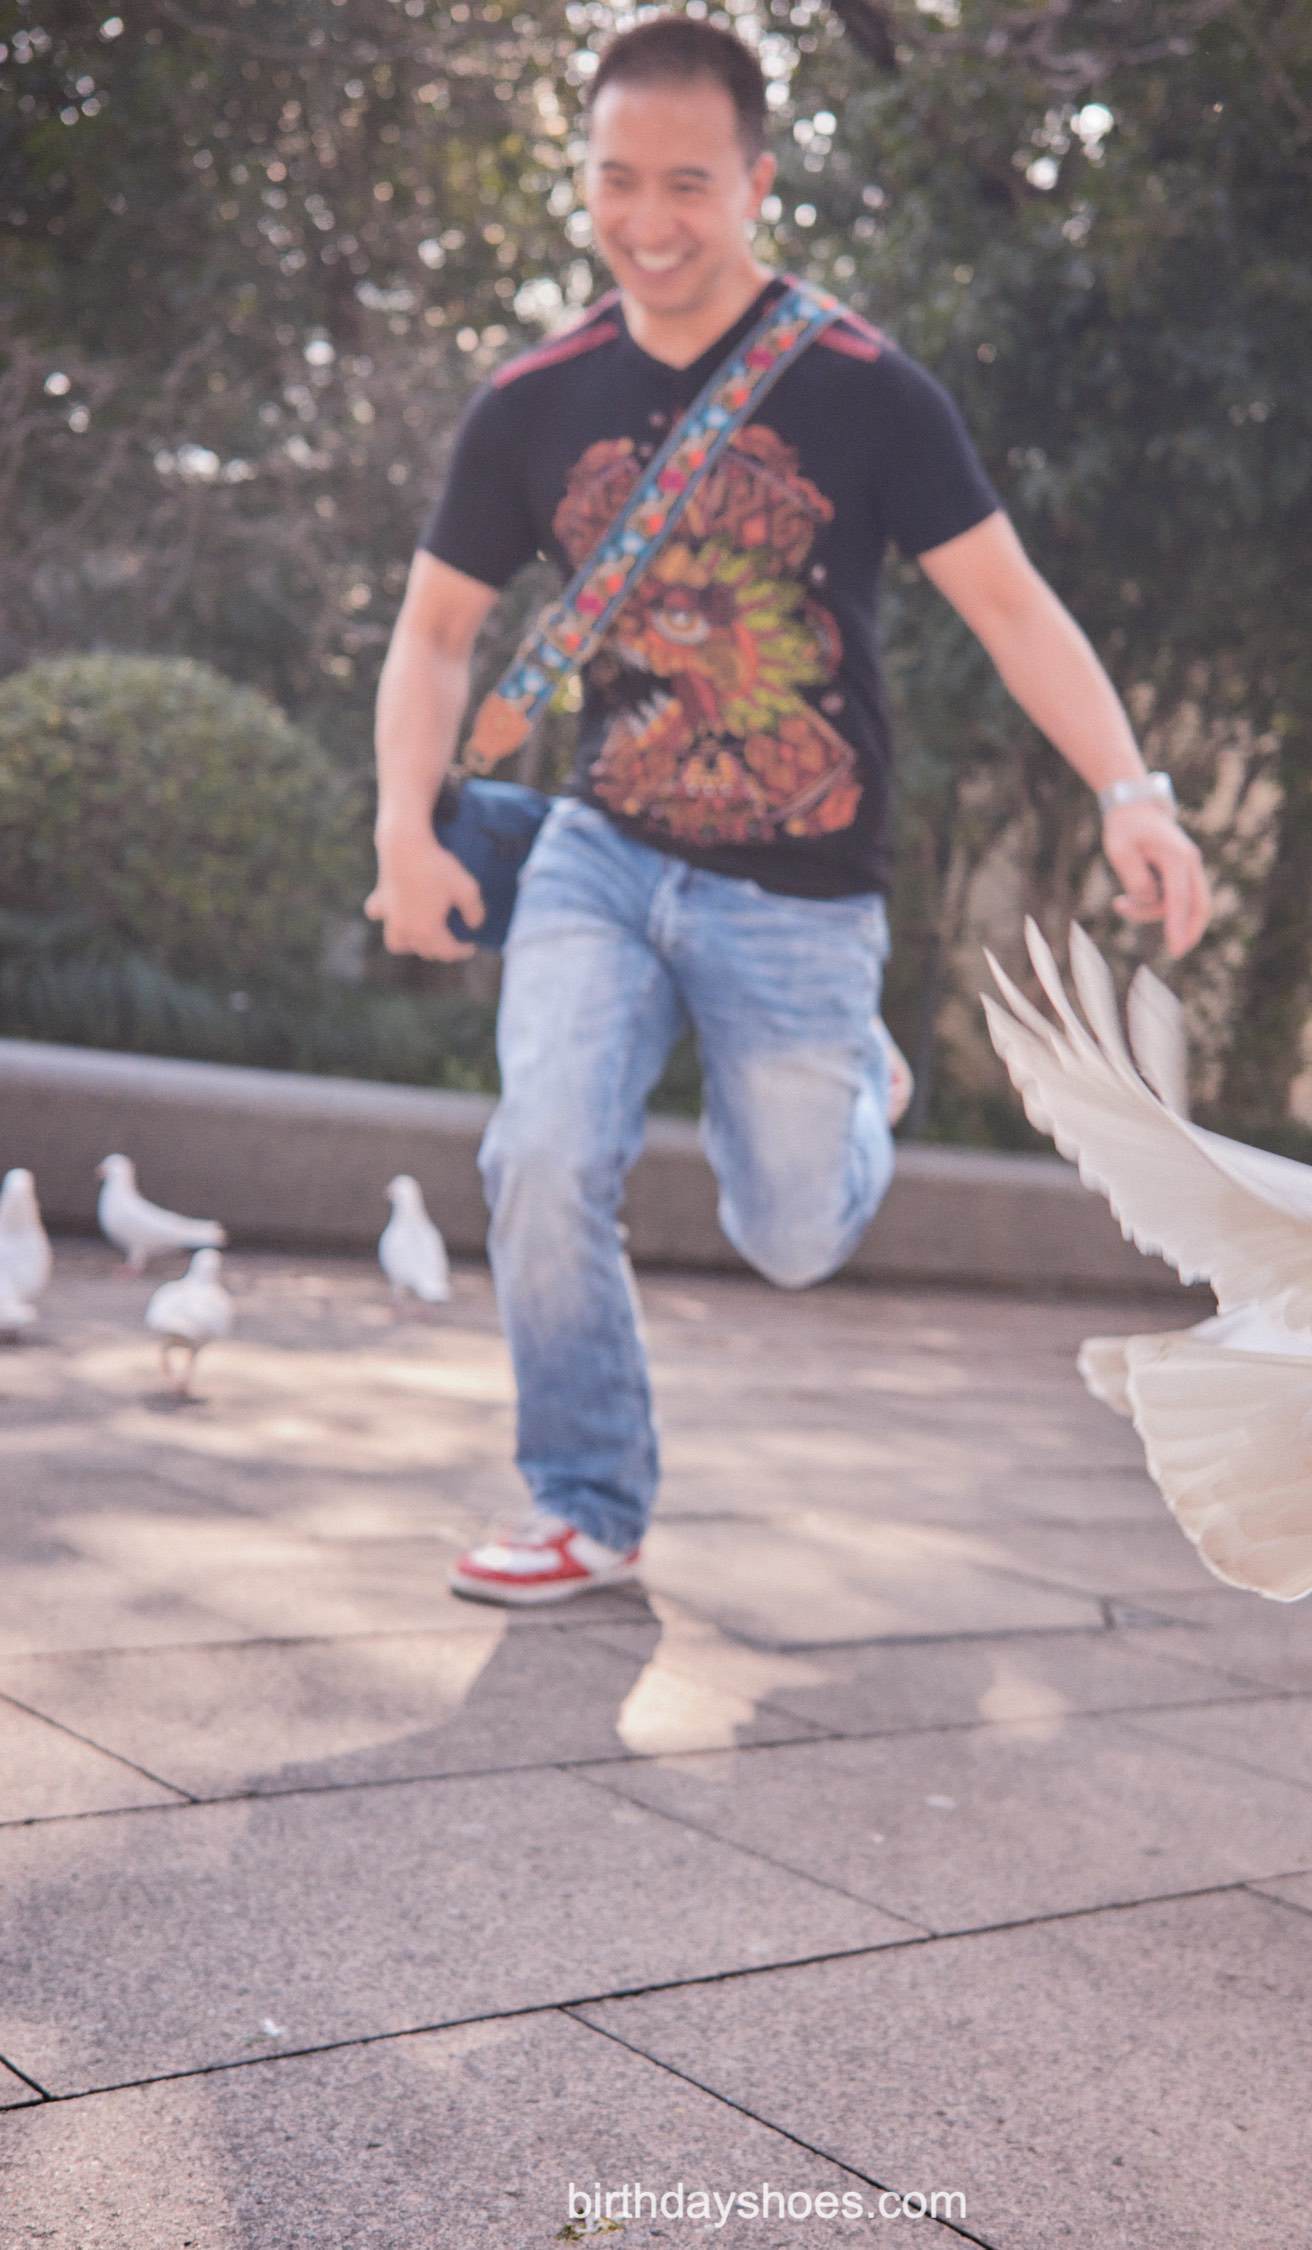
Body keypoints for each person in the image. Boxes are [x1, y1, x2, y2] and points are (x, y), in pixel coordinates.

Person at [365, 17, 1211, 1605]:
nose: (650, 221)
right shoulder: (529, 403)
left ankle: (856, 1081)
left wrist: (1132, 792)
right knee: (538, 1152)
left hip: (803, 896)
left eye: (689, 184)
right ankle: (585, 1500)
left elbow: (1013, 608)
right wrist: (403, 830)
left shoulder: (867, 391)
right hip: (605, 857)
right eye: (618, 180)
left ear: (756, 182)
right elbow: (433, 633)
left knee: (796, 1237)